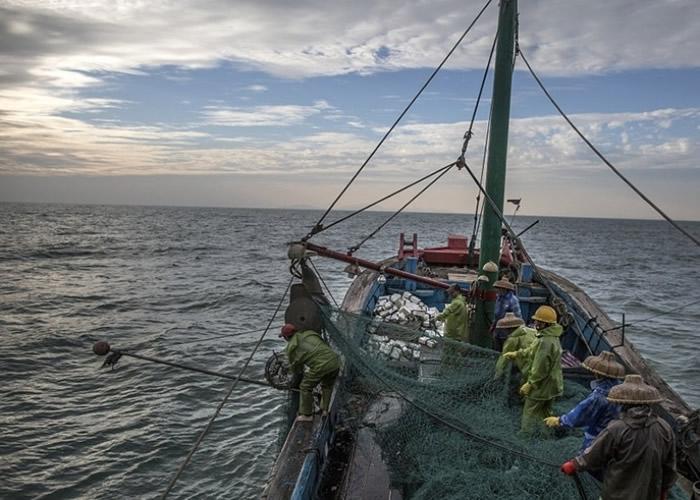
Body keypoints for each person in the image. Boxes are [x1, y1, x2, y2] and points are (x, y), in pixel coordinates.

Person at [560, 374, 676, 500]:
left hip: (617, 494)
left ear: (624, 404)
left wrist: (574, 465)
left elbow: (594, 455)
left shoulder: (617, 428)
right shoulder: (665, 428)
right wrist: (664, 490)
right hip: (650, 494)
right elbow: (669, 466)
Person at [544, 351, 625, 452]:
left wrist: (560, 420)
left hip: (598, 436)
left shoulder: (598, 397)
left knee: (589, 457)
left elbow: (581, 414)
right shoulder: (622, 389)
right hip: (618, 435)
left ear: (597, 373)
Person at [503, 304, 563, 435]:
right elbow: (531, 350)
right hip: (553, 385)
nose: (535, 322)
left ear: (545, 323)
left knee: (529, 412)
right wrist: (517, 354)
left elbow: (540, 368)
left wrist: (530, 384)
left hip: (542, 387)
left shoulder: (545, 342)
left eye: (538, 321)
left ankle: (526, 437)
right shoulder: (549, 336)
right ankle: (546, 435)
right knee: (545, 413)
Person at [280, 323, 341, 422]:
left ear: (286, 337)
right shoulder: (310, 334)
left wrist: (291, 372)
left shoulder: (292, 347)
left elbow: (296, 368)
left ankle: (307, 415)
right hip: (335, 361)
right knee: (327, 385)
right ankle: (325, 410)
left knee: (305, 386)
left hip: (322, 365)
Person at [494, 313, 537, 377]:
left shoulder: (512, 338)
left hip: (528, 366)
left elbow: (504, 358)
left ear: (509, 329)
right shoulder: (532, 331)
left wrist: (497, 375)